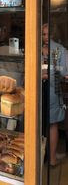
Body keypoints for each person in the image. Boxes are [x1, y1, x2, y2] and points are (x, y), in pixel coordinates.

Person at [42, 23, 67, 166]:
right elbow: (61, 71)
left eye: (46, 34)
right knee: (46, 124)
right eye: (43, 34)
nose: (45, 37)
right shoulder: (35, 47)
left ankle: (51, 157)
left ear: (53, 34)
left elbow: (62, 71)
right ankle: (49, 157)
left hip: (51, 90)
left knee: (52, 124)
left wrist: (45, 74)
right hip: (42, 89)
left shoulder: (58, 49)